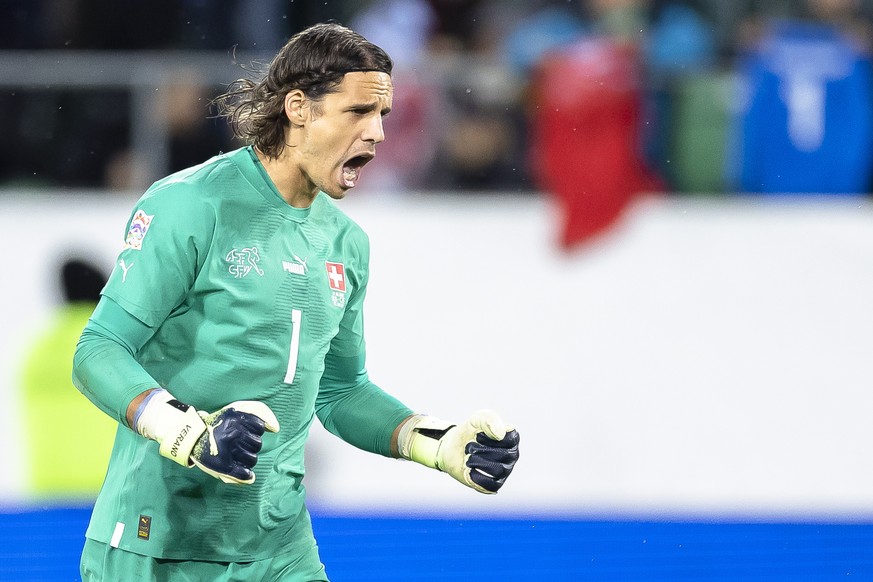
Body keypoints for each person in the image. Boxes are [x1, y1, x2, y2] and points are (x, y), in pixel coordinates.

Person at [72, 22, 520, 581]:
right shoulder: (190, 204)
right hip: (158, 542)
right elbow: (97, 350)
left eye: (382, 115)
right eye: (359, 112)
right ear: (298, 107)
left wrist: (435, 441)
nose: (377, 133)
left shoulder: (347, 245)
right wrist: (184, 432)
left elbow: (339, 391)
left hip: (280, 548)